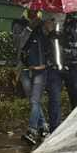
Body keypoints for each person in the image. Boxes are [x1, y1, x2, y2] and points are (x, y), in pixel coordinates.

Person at [12, 10, 51, 145]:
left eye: (37, 9)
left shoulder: (43, 25)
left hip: (40, 69)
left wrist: (46, 28)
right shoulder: (18, 24)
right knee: (33, 101)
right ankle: (44, 127)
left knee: (35, 100)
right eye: (32, 9)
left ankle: (32, 130)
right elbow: (18, 44)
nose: (34, 11)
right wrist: (29, 28)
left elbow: (49, 45)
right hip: (24, 69)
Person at [45, 13, 77, 132]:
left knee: (75, 96)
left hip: (71, 65)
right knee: (54, 98)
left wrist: (54, 32)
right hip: (53, 67)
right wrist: (45, 30)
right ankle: (54, 130)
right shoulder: (48, 21)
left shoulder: (75, 21)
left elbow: (73, 37)